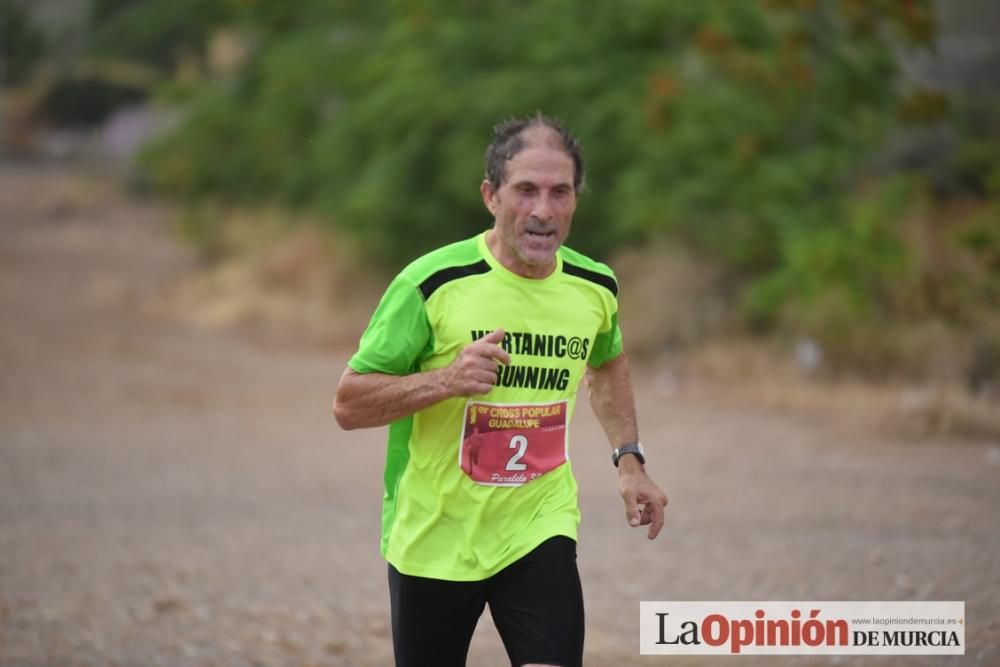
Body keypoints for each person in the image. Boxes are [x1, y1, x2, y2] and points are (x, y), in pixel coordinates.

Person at [333, 113, 668, 667]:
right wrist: (446, 379)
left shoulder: (594, 287)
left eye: (560, 192)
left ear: (576, 201)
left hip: (539, 524)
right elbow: (348, 403)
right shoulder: (433, 283)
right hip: (434, 536)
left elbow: (607, 364)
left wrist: (629, 461)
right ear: (491, 196)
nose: (543, 210)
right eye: (526, 191)